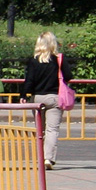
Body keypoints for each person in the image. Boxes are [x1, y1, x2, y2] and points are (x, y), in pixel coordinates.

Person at [20, 31, 73, 170]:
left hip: (37, 98)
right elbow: (68, 76)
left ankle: (39, 157)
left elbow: (29, 80)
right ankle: (48, 158)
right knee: (52, 130)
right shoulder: (59, 59)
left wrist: (23, 95)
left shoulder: (34, 60)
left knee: (40, 130)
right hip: (54, 97)